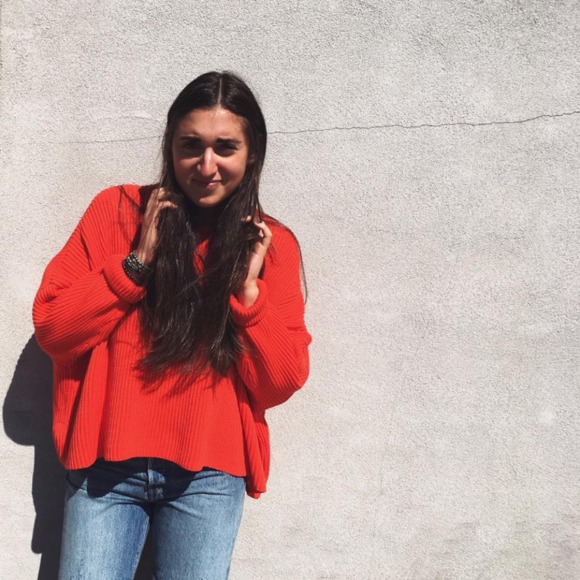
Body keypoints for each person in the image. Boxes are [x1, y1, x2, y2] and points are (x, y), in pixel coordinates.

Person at [33, 71, 311, 579]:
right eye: (191, 145)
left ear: (252, 153)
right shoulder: (116, 212)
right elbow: (54, 329)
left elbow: (279, 382)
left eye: (225, 147)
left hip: (209, 476)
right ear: (170, 145)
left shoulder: (269, 245)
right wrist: (136, 263)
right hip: (105, 469)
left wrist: (248, 295)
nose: (206, 165)